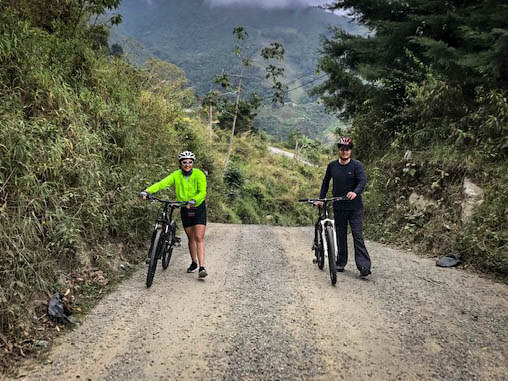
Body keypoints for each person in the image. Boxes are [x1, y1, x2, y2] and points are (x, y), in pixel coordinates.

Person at [140, 151, 208, 278]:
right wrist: (147, 191)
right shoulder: (176, 175)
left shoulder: (199, 174)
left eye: (190, 162)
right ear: (180, 164)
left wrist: (194, 200)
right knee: (190, 237)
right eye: (184, 162)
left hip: (197, 207)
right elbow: (162, 183)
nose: (187, 164)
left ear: (193, 163)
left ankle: (202, 267)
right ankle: (194, 262)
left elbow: (202, 192)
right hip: (184, 208)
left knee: (198, 237)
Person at [315, 137, 372, 277]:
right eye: (342, 149)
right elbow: (325, 182)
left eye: (347, 149)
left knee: (357, 235)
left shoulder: (356, 166)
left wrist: (355, 192)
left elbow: (362, 181)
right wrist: (321, 199)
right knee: (340, 236)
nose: (344, 151)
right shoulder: (332, 166)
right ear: (338, 150)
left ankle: (364, 266)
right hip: (339, 206)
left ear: (350, 151)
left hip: (355, 207)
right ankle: (340, 262)